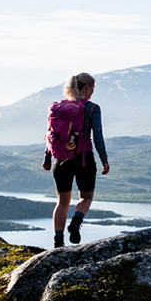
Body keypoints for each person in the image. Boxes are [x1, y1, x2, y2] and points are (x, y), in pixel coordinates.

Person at [43, 72, 109, 248]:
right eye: (92, 87)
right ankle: (76, 222)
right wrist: (104, 159)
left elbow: (51, 135)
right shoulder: (92, 108)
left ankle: (58, 242)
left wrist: (47, 157)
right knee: (86, 197)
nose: (93, 91)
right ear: (86, 87)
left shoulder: (58, 108)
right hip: (84, 158)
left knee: (62, 202)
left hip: (61, 159)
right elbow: (98, 137)